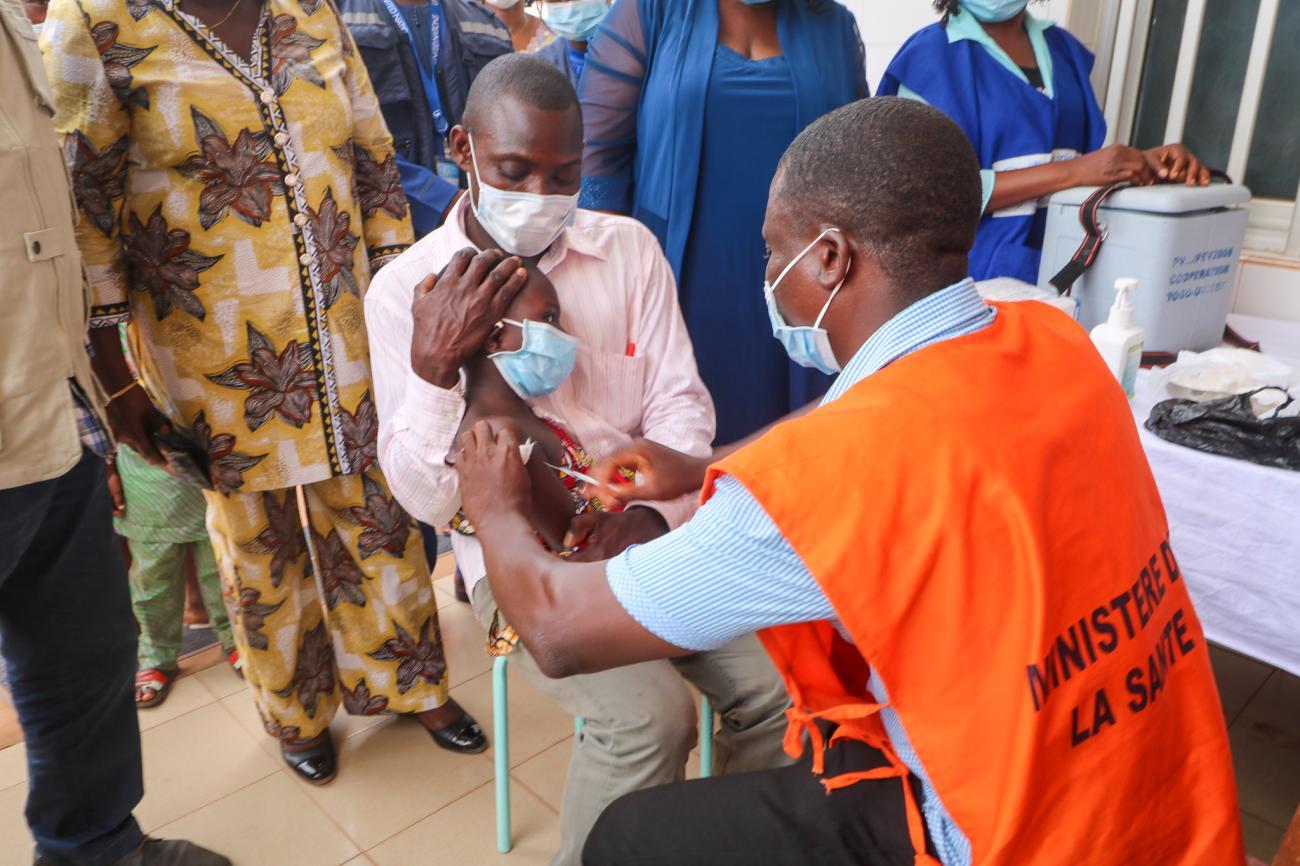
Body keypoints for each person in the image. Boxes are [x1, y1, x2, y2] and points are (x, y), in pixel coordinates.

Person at [451, 97, 1245, 866]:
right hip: (1165, 799)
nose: (768, 275)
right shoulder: (1051, 335)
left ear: (830, 257)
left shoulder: (825, 482)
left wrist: (492, 501)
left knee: (628, 838)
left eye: (772, 250)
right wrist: (704, 465)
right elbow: (874, 416)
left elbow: (555, 631)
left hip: (1017, 832)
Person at [42, 0, 484, 786]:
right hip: (210, 355)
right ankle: (296, 711)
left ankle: (409, 683)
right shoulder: (97, 23)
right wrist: (114, 381)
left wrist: (409, 307)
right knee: (258, 541)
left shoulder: (310, 11)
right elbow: (85, 210)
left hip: (350, 333)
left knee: (377, 511)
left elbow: (375, 166)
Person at [366, 54, 791, 865]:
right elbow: (426, 502)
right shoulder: (405, 292)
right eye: (513, 170)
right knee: (649, 719)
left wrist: (643, 515)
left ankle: (742, 847)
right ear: (462, 147)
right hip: (519, 557)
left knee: (780, 687)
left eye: (563, 174)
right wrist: (433, 375)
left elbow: (682, 405)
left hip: (651, 531)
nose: (537, 197)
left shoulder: (626, 251)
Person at [1, 3, 230, 863]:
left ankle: (96, 846)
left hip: (48, 418)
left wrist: (103, 381)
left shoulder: (20, 28)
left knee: (83, 658)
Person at [579, 0, 868, 445]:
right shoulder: (648, 14)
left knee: (792, 454)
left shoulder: (833, 27)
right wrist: (607, 303)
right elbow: (596, 168)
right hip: (678, 282)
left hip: (803, 290)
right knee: (677, 447)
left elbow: (856, 162)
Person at [878, 0, 1210, 285]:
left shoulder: (1064, 51)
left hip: (1068, 273)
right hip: (967, 283)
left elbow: (1080, 164)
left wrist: (1136, 164)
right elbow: (923, 197)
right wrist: (1074, 172)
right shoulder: (931, 60)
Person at [341, 0, 512, 238]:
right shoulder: (336, 15)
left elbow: (510, 129)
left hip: (478, 225)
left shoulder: (486, 23)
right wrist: (438, 199)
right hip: (384, 233)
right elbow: (339, 136)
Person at [109, 442, 239, 709]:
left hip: (203, 458)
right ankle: (157, 655)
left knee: (220, 570)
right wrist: (106, 464)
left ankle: (235, 638)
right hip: (143, 475)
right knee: (153, 580)